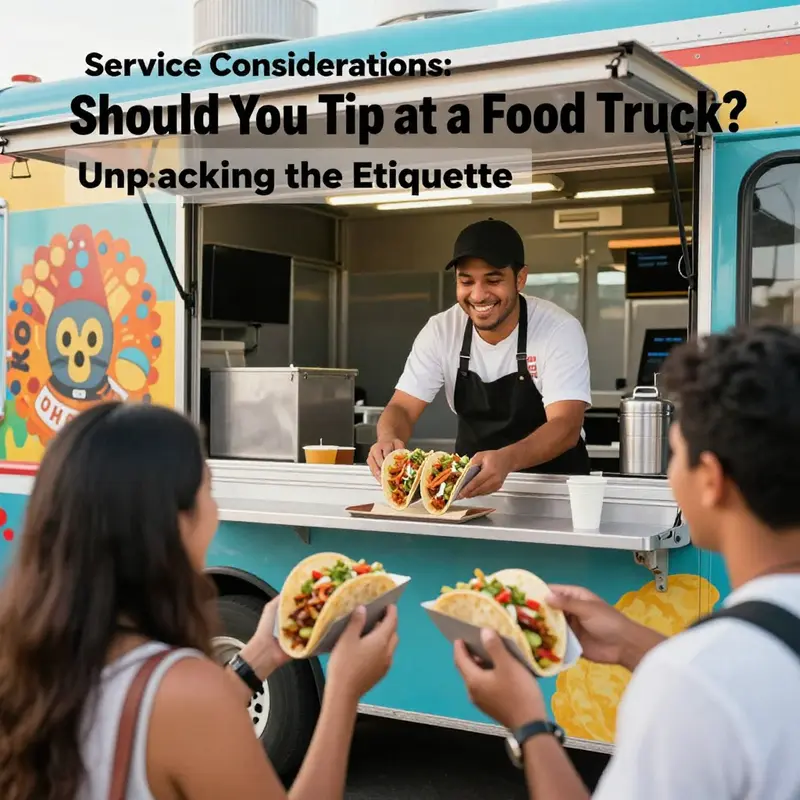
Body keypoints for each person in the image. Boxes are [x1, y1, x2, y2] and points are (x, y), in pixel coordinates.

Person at [451, 323, 800, 799]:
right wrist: (633, 645)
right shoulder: (703, 670)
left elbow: (713, 688)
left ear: (712, 480)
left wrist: (528, 722)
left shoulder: (691, 682)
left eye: (674, 454)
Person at [0, 401, 399, 800]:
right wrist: (343, 693)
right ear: (175, 523)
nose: (215, 509)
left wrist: (257, 657)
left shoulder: (22, 657)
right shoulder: (182, 690)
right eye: (207, 489)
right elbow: (189, 712)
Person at [368, 217, 592, 498]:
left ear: (520, 278)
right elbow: (401, 406)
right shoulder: (441, 330)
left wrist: (507, 460)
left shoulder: (558, 329)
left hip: (555, 491)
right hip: (470, 489)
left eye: (493, 280)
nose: (478, 294)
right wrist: (388, 439)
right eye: (466, 281)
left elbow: (566, 425)